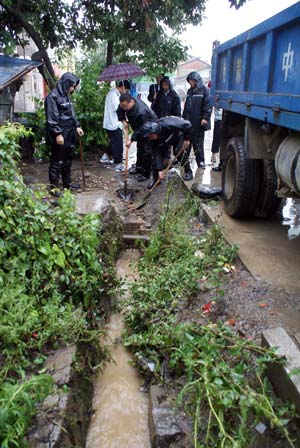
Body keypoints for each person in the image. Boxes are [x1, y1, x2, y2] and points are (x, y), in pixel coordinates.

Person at [45, 72, 84, 197]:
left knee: (67, 160)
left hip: (70, 133)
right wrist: (57, 133)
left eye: (73, 86)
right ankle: (54, 187)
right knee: (57, 161)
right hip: (60, 134)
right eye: (71, 85)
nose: (72, 88)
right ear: (65, 83)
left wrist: (77, 125)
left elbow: (71, 114)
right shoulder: (53, 97)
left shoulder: (66, 96)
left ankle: (67, 183)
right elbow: (51, 118)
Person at [138, 116, 193, 189]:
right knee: (156, 158)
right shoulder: (152, 140)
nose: (149, 138)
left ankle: (188, 171)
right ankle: (156, 179)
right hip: (163, 142)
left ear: (153, 132)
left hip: (177, 136)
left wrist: (187, 138)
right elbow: (156, 155)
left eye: (149, 136)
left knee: (178, 152)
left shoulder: (167, 124)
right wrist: (159, 170)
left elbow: (187, 124)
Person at [118, 93, 157, 182]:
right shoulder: (125, 103)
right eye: (122, 106)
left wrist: (131, 140)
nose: (124, 108)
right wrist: (123, 120)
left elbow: (143, 129)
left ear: (131, 102)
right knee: (139, 147)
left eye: (125, 107)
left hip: (149, 129)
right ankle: (139, 167)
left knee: (146, 150)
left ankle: (145, 174)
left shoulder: (141, 112)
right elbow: (120, 110)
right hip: (138, 127)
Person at [182, 71, 211, 168]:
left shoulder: (205, 90)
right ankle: (185, 163)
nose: (190, 83)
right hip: (189, 121)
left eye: (191, 81)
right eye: (189, 81)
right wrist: (183, 119)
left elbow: (207, 105)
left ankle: (201, 161)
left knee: (198, 143)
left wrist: (205, 118)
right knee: (187, 142)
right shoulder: (189, 91)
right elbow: (186, 106)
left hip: (199, 122)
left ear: (196, 80)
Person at [102, 80, 130, 172]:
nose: (126, 92)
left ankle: (105, 156)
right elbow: (117, 108)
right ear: (123, 87)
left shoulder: (115, 94)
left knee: (114, 142)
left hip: (112, 122)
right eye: (126, 90)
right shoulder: (113, 94)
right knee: (118, 144)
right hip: (113, 123)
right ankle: (118, 163)